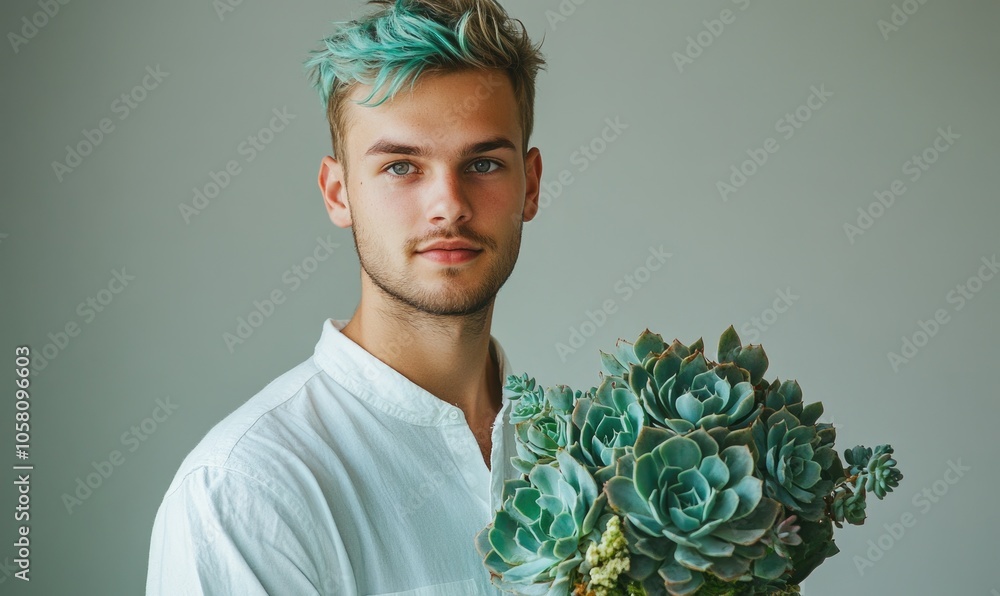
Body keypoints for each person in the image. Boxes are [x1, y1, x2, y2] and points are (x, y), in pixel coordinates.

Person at [144, 0, 546, 593]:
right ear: (338, 193)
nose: (449, 204)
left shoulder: (591, 453)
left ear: (530, 187)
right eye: (401, 167)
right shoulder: (244, 491)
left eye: (483, 163)